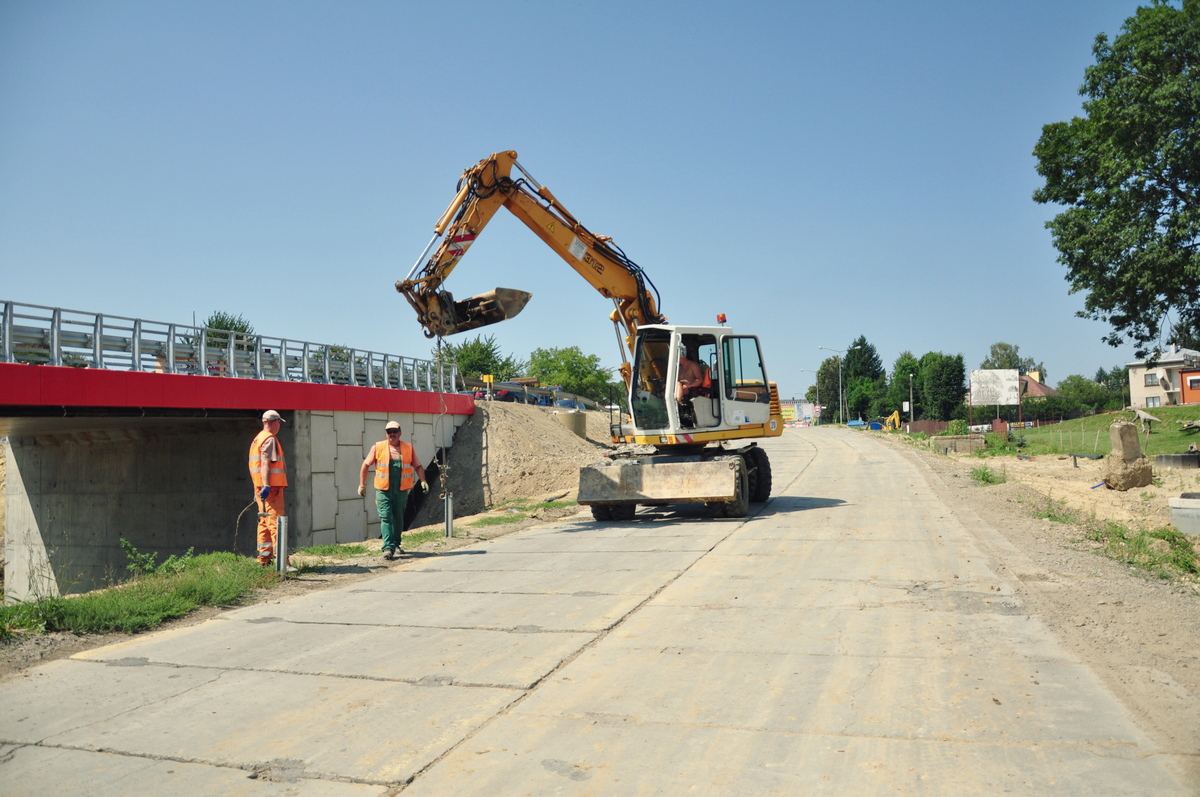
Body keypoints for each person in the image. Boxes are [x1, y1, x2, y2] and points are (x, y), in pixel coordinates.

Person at [358, 421, 428, 560]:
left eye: (394, 431)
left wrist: (423, 481)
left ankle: (396, 543)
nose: (392, 434)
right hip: (383, 489)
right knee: (386, 517)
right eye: (389, 432)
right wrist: (362, 484)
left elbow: (418, 466)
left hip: (401, 489)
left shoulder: (408, 448)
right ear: (386, 433)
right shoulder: (378, 447)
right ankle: (388, 547)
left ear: (400, 432)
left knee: (398, 517)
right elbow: (365, 465)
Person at [249, 409, 287, 566]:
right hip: (271, 489)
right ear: (276, 422)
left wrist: (260, 487)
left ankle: (263, 560)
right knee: (276, 524)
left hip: (260, 489)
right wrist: (267, 485)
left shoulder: (257, 439)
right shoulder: (269, 439)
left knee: (264, 523)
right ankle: (282, 563)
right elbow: (265, 463)